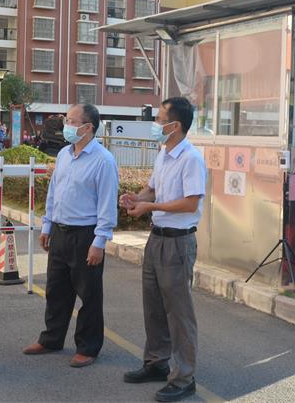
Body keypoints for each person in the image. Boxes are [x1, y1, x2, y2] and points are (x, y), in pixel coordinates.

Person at [119, 97, 206, 402]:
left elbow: (190, 203)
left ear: (175, 125)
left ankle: (184, 378)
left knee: (179, 313)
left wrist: (150, 206)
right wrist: (136, 198)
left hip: (178, 242)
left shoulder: (191, 158)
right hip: (156, 238)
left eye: (159, 119)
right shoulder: (163, 153)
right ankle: (157, 363)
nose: (155, 124)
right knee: (154, 305)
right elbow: (152, 189)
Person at [23, 104, 118, 368]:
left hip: (85, 234)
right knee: (56, 290)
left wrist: (99, 242)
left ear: (88, 127)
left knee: (89, 295)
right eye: (67, 120)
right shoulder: (64, 154)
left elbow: (107, 205)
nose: (66, 125)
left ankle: (88, 347)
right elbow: (54, 193)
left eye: (72, 121)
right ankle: (51, 339)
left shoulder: (103, 160)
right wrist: (47, 226)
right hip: (60, 231)